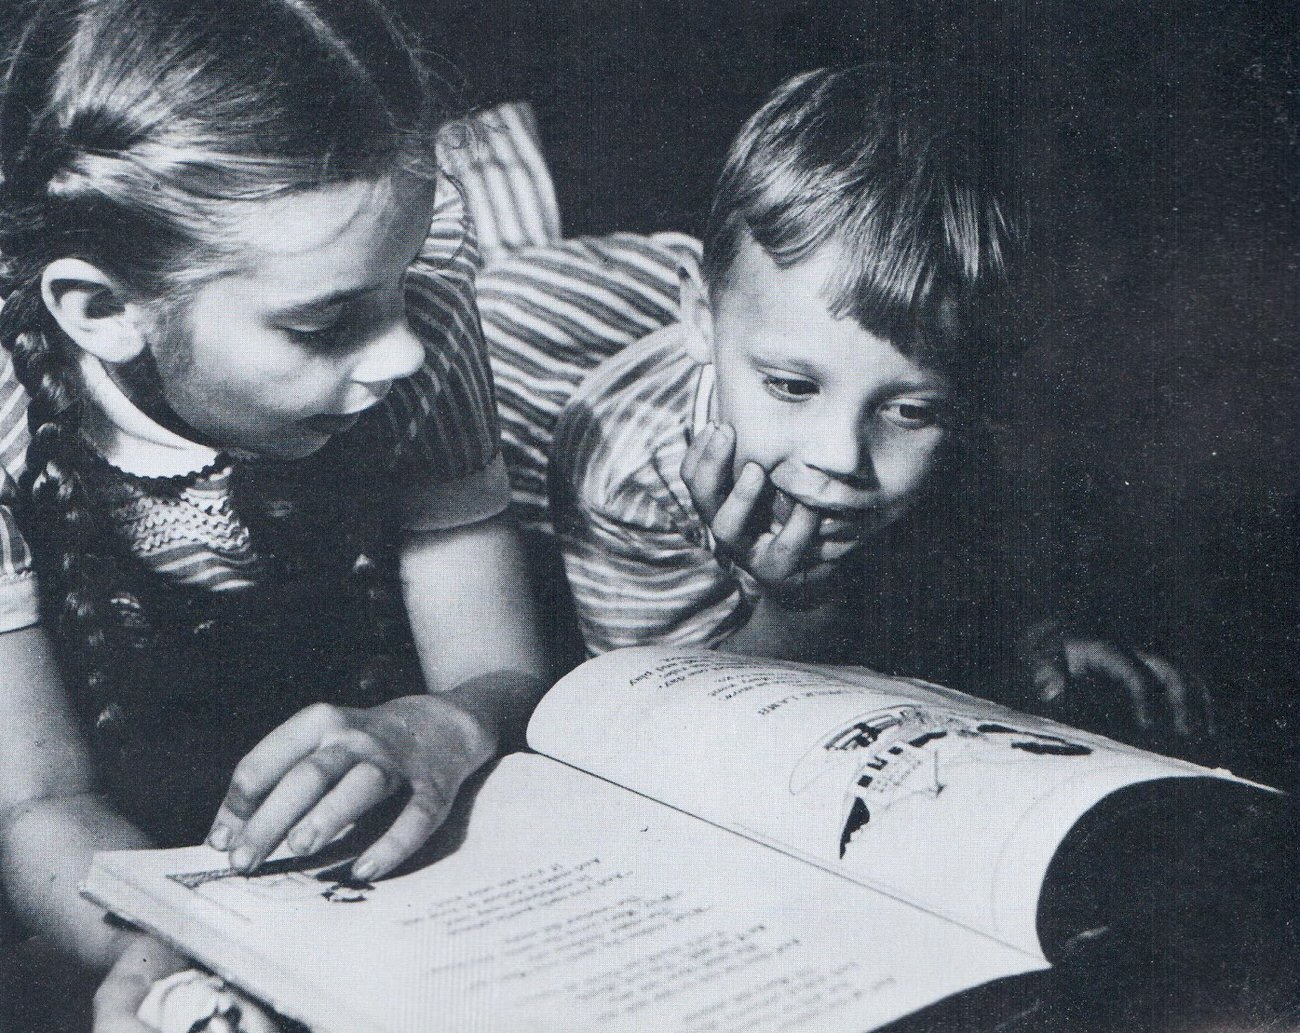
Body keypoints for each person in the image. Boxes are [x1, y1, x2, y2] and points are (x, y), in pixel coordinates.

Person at [0, 0, 550, 1028]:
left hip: (372, 829)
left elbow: (501, 663)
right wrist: (155, 947)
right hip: (109, 844)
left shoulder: (416, 330)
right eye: (326, 320)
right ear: (104, 310)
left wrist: (447, 721)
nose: (399, 354)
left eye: (401, 280)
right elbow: (34, 799)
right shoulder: (7, 416)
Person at [522, 65, 1211, 744]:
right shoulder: (625, 473)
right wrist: (797, 610)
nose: (840, 456)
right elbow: (655, 727)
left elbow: (955, 553)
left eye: (909, 411)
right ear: (700, 319)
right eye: (792, 386)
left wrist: (1032, 645)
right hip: (536, 348)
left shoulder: (949, 395)